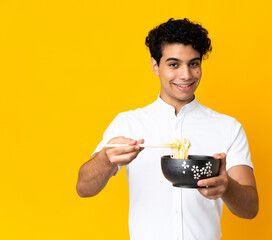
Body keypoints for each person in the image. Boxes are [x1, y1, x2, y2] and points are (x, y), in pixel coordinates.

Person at [76, 18, 258, 240]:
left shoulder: (228, 127)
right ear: (155, 65)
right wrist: (105, 159)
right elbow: (84, 189)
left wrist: (227, 187)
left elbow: (250, 209)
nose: (186, 75)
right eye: (174, 64)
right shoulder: (129, 123)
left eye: (193, 63)